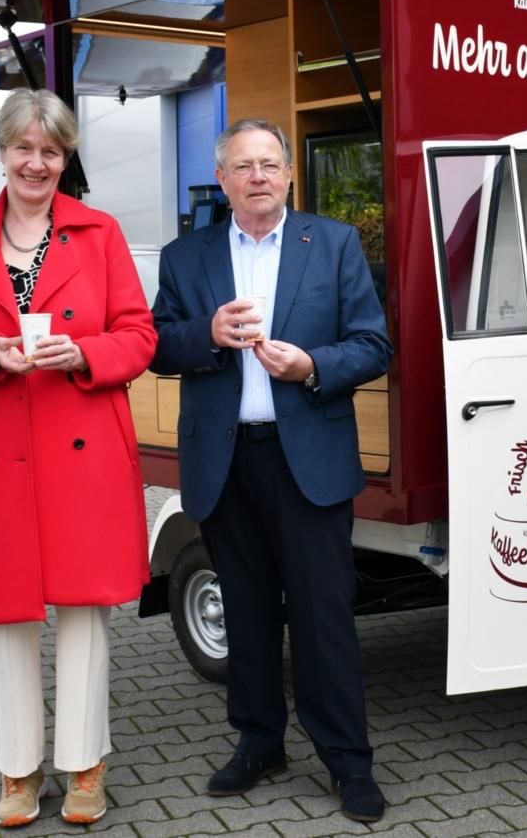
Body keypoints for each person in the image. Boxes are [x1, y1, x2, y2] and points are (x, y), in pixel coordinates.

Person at [0, 88, 156, 828]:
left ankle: (85, 766)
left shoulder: (100, 233)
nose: (36, 162)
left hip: (81, 447)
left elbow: (141, 336)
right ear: (3, 151)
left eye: (50, 150)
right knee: (8, 617)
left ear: (66, 156)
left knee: (84, 615)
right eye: (24, 147)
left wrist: (83, 350)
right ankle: (17, 772)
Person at [150, 119, 393, 822]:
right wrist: (207, 334)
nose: (258, 176)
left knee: (323, 619)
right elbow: (158, 344)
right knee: (248, 612)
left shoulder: (334, 243)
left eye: (269, 164)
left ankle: (348, 762)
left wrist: (315, 364)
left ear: (289, 175)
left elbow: (374, 345)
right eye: (242, 166)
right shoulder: (185, 256)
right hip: (225, 459)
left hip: (307, 459)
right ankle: (259, 743)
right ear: (222, 180)